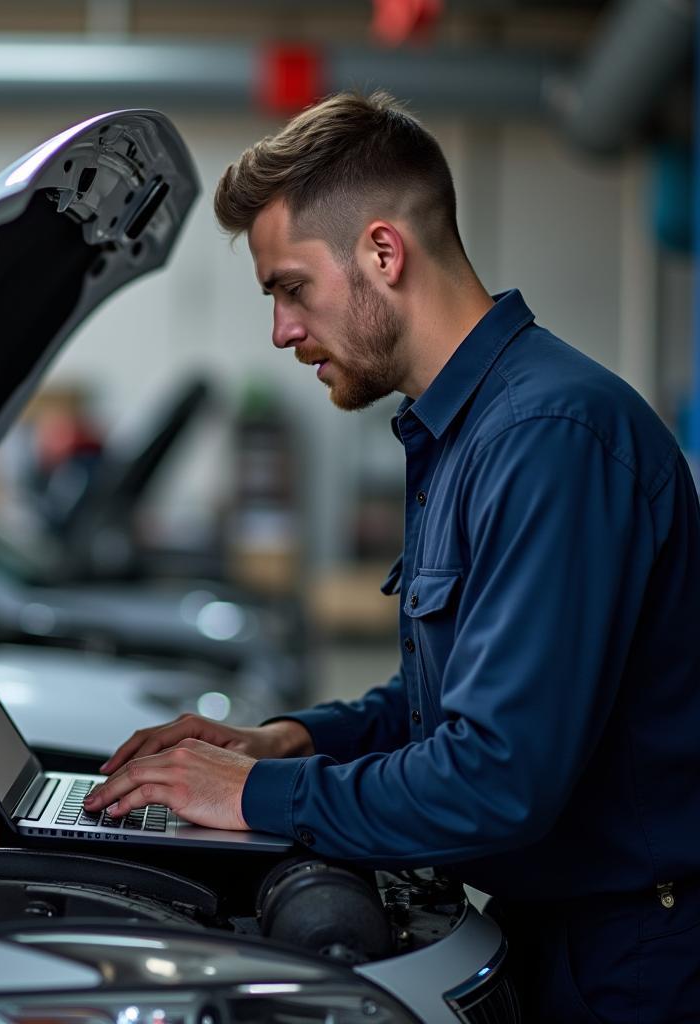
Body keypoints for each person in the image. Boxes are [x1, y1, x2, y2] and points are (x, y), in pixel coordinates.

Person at [83, 91, 700, 1021]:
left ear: (382, 252)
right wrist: (286, 739)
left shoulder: (549, 437)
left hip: (630, 961)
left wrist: (257, 793)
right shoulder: (464, 435)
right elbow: (446, 706)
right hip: (561, 928)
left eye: (291, 287)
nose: (283, 332)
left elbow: (496, 778)